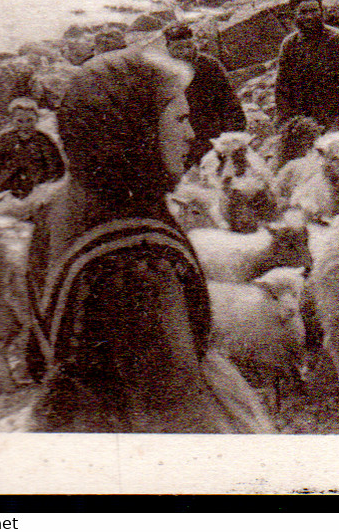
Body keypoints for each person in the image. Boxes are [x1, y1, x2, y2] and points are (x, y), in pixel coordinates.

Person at [23, 48, 272, 433]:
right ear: (134, 132)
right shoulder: (139, 262)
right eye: (180, 119)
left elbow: (38, 358)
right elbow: (176, 413)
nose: (192, 135)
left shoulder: (61, 204)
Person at [274, 0, 339, 131]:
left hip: (338, 118)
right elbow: (282, 87)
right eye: (303, 12)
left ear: (322, 12)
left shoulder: (338, 40)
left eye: (314, 11)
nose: (309, 16)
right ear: (294, 14)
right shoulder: (289, 44)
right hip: (304, 120)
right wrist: (286, 122)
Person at [163, 24, 246, 168]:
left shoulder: (210, 66)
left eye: (188, 46)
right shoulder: (160, 72)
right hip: (180, 142)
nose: (184, 52)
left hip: (213, 137)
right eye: (178, 48)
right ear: (168, 48)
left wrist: (233, 135)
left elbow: (230, 104)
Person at [0, 96, 66, 197]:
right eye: (20, 121)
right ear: (12, 120)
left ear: (37, 119)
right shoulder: (5, 139)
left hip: (37, 191)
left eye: (29, 120)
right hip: (8, 190)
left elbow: (56, 169)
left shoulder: (44, 140)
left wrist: (45, 187)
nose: (25, 126)